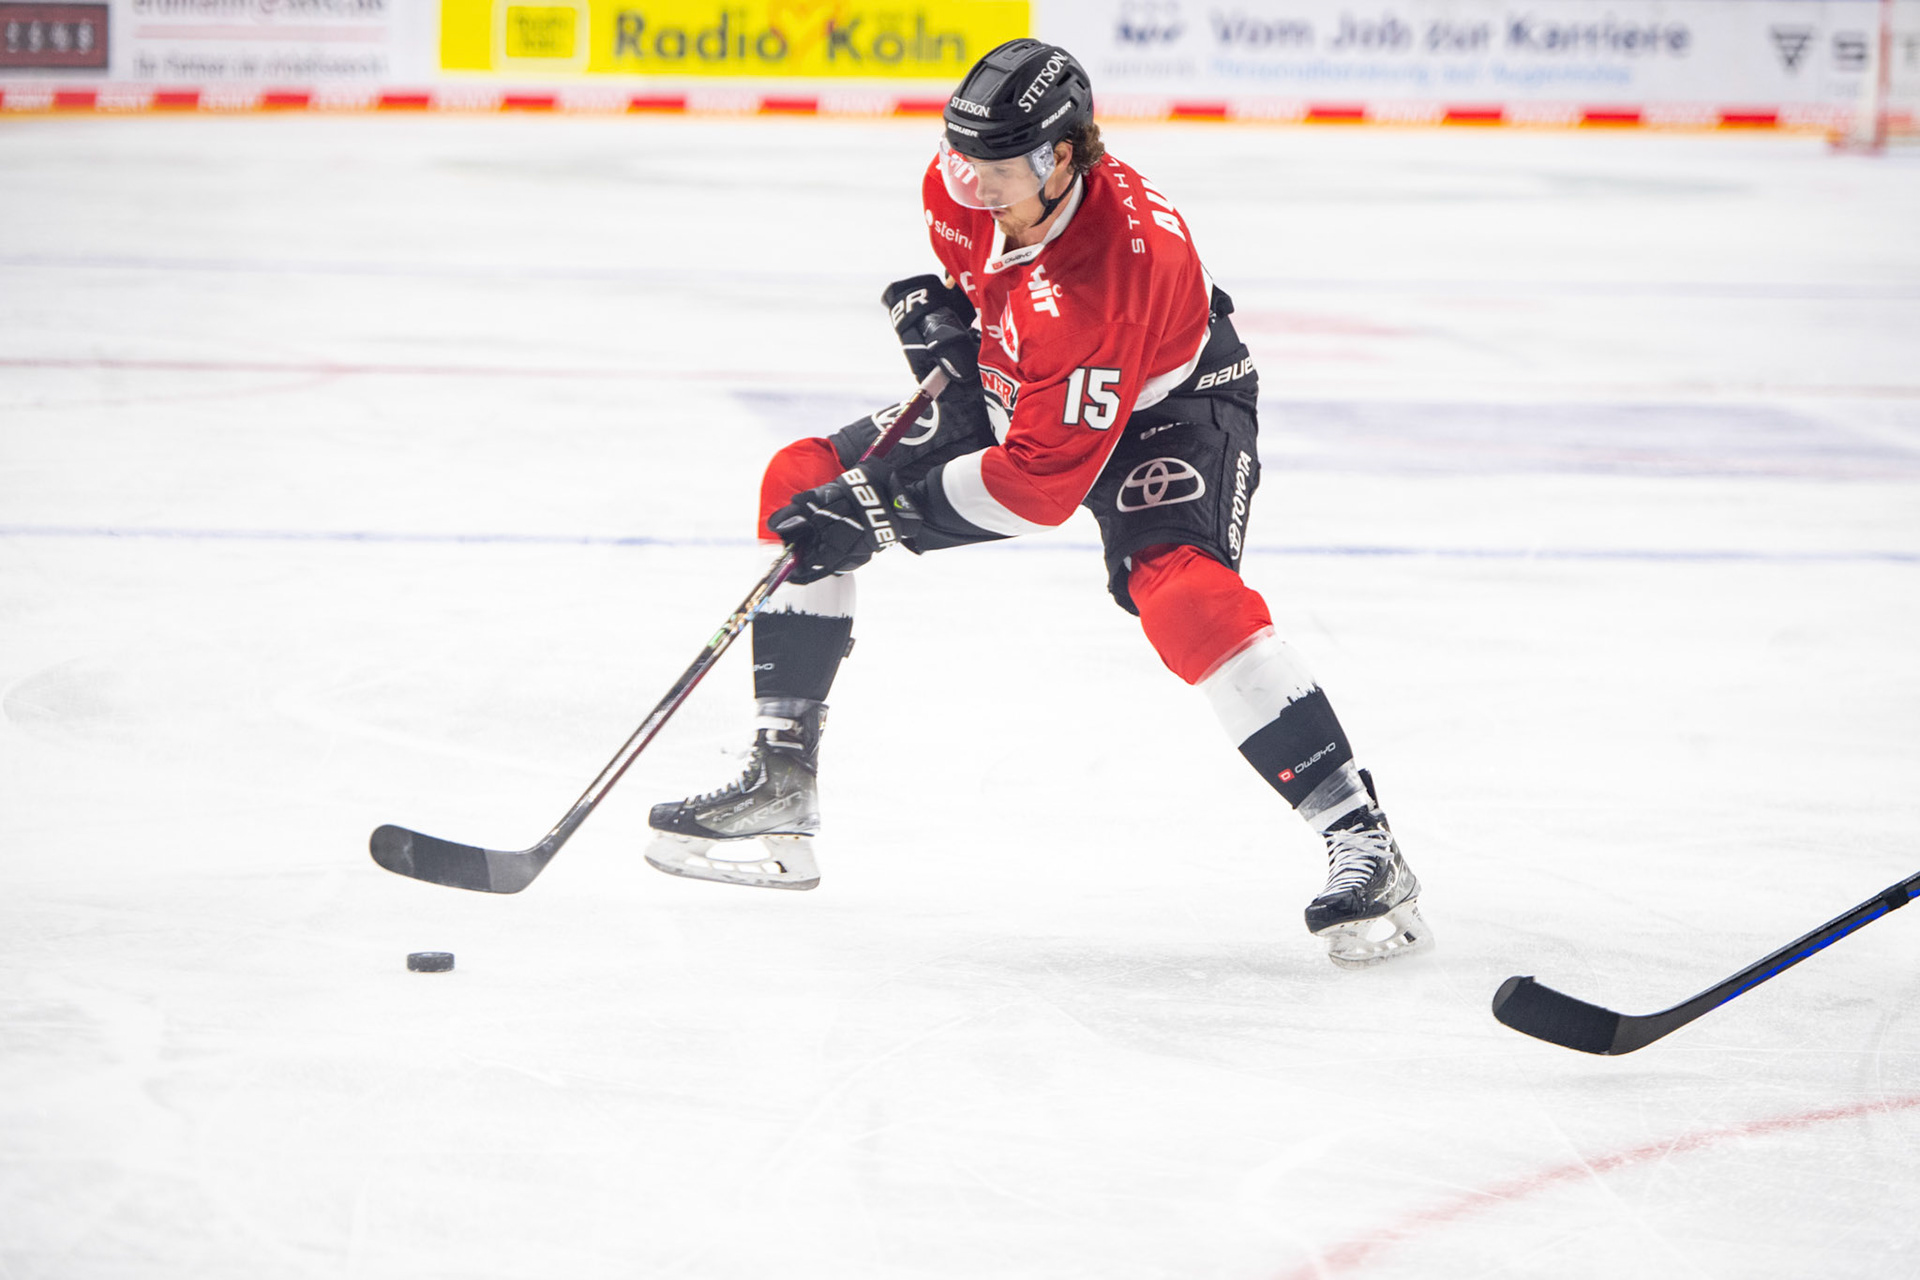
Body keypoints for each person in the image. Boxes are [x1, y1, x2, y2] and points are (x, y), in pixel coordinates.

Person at [646, 39, 1431, 967]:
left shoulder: (1114, 278)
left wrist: (881, 511)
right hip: (1040, 391)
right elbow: (997, 300)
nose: (975, 185)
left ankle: (1362, 837)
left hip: (1167, 409)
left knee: (1185, 595)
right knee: (800, 478)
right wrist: (952, 323)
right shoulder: (966, 183)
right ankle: (780, 782)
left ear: (1062, 158)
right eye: (964, 158)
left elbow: (1037, 489)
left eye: (1000, 167)